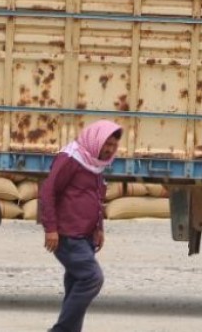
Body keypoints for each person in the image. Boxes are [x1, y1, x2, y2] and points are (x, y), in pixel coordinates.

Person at [39, 120, 123, 332]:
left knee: (76, 282)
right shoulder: (71, 159)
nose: (109, 149)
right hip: (67, 234)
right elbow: (48, 191)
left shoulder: (93, 163)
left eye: (113, 145)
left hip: (85, 235)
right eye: (107, 144)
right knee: (92, 278)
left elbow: (96, 196)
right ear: (96, 140)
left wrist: (99, 227)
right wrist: (50, 229)